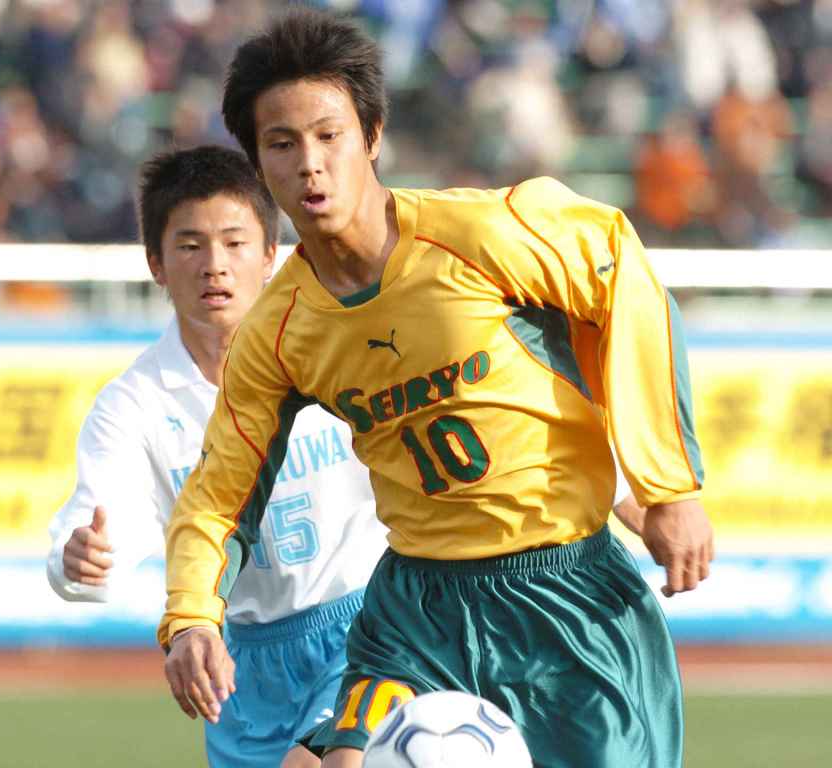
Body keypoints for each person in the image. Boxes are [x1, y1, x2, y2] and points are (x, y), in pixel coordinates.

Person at [158, 9, 714, 768]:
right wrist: (192, 615)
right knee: (330, 762)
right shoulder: (277, 334)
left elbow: (626, 279)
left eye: (329, 136)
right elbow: (220, 492)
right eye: (282, 144)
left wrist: (669, 486)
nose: (310, 165)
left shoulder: (486, 234)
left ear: (372, 136)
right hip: (418, 614)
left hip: (567, 597)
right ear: (258, 162)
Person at [45, 145, 389, 768]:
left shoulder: (333, 349)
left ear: (269, 254)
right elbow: (99, 525)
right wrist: (79, 563)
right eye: (190, 246)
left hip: (365, 625)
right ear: (155, 264)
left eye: (234, 243)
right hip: (236, 659)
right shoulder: (133, 405)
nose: (215, 266)